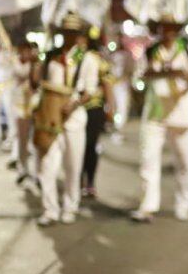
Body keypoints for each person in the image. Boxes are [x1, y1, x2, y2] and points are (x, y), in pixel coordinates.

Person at [131, 14, 188, 222]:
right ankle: (147, 206)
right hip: (155, 113)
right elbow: (138, 79)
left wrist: (183, 75)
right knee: (148, 160)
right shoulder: (150, 50)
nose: (168, 32)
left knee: (183, 162)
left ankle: (183, 203)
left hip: (181, 114)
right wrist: (159, 73)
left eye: (171, 28)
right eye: (164, 27)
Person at [37, 13, 100, 226]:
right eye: (66, 32)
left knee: (73, 166)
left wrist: (73, 104)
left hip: (74, 117)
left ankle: (70, 206)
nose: (70, 36)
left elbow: (90, 90)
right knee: (47, 163)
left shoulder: (88, 59)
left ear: (79, 35)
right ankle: (49, 209)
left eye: (73, 32)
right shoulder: (50, 56)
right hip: (51, 116)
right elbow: (40, 84)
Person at [80, 31, 115, 199]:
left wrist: (110, 109)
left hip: (94, 108)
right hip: (77, 109)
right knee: (79, 147)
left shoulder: (97, 60)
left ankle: (90, 182)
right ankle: (79, 181)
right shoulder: (76, 58)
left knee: (90, 146)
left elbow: (108, 85)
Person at [11, 40, 39, 186]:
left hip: (33, 105)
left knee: (36, 140)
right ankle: (23, 169)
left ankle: (37, 172)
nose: (26, 54)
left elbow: (35, 82)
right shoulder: (16, 62)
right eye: (23, 51)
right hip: (20, 106)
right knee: (22, 139)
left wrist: (35, 64)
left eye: (28, 51)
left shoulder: (35, 63)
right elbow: (21, 73)